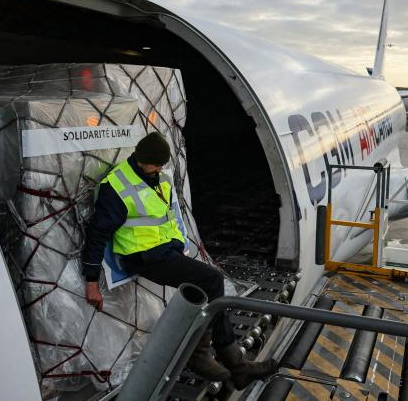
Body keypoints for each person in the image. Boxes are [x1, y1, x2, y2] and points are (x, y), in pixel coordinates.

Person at [82, 131, 276, 389]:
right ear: (141, 159)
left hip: (166, 251)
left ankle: (233, 363)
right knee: (212, 280)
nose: (161, 168)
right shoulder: (116, 187)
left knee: (211, 287)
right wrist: (91, 282)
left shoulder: (157, 177)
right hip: (143, 257)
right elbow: (97, 235)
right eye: (157, 163)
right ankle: (209, 356)